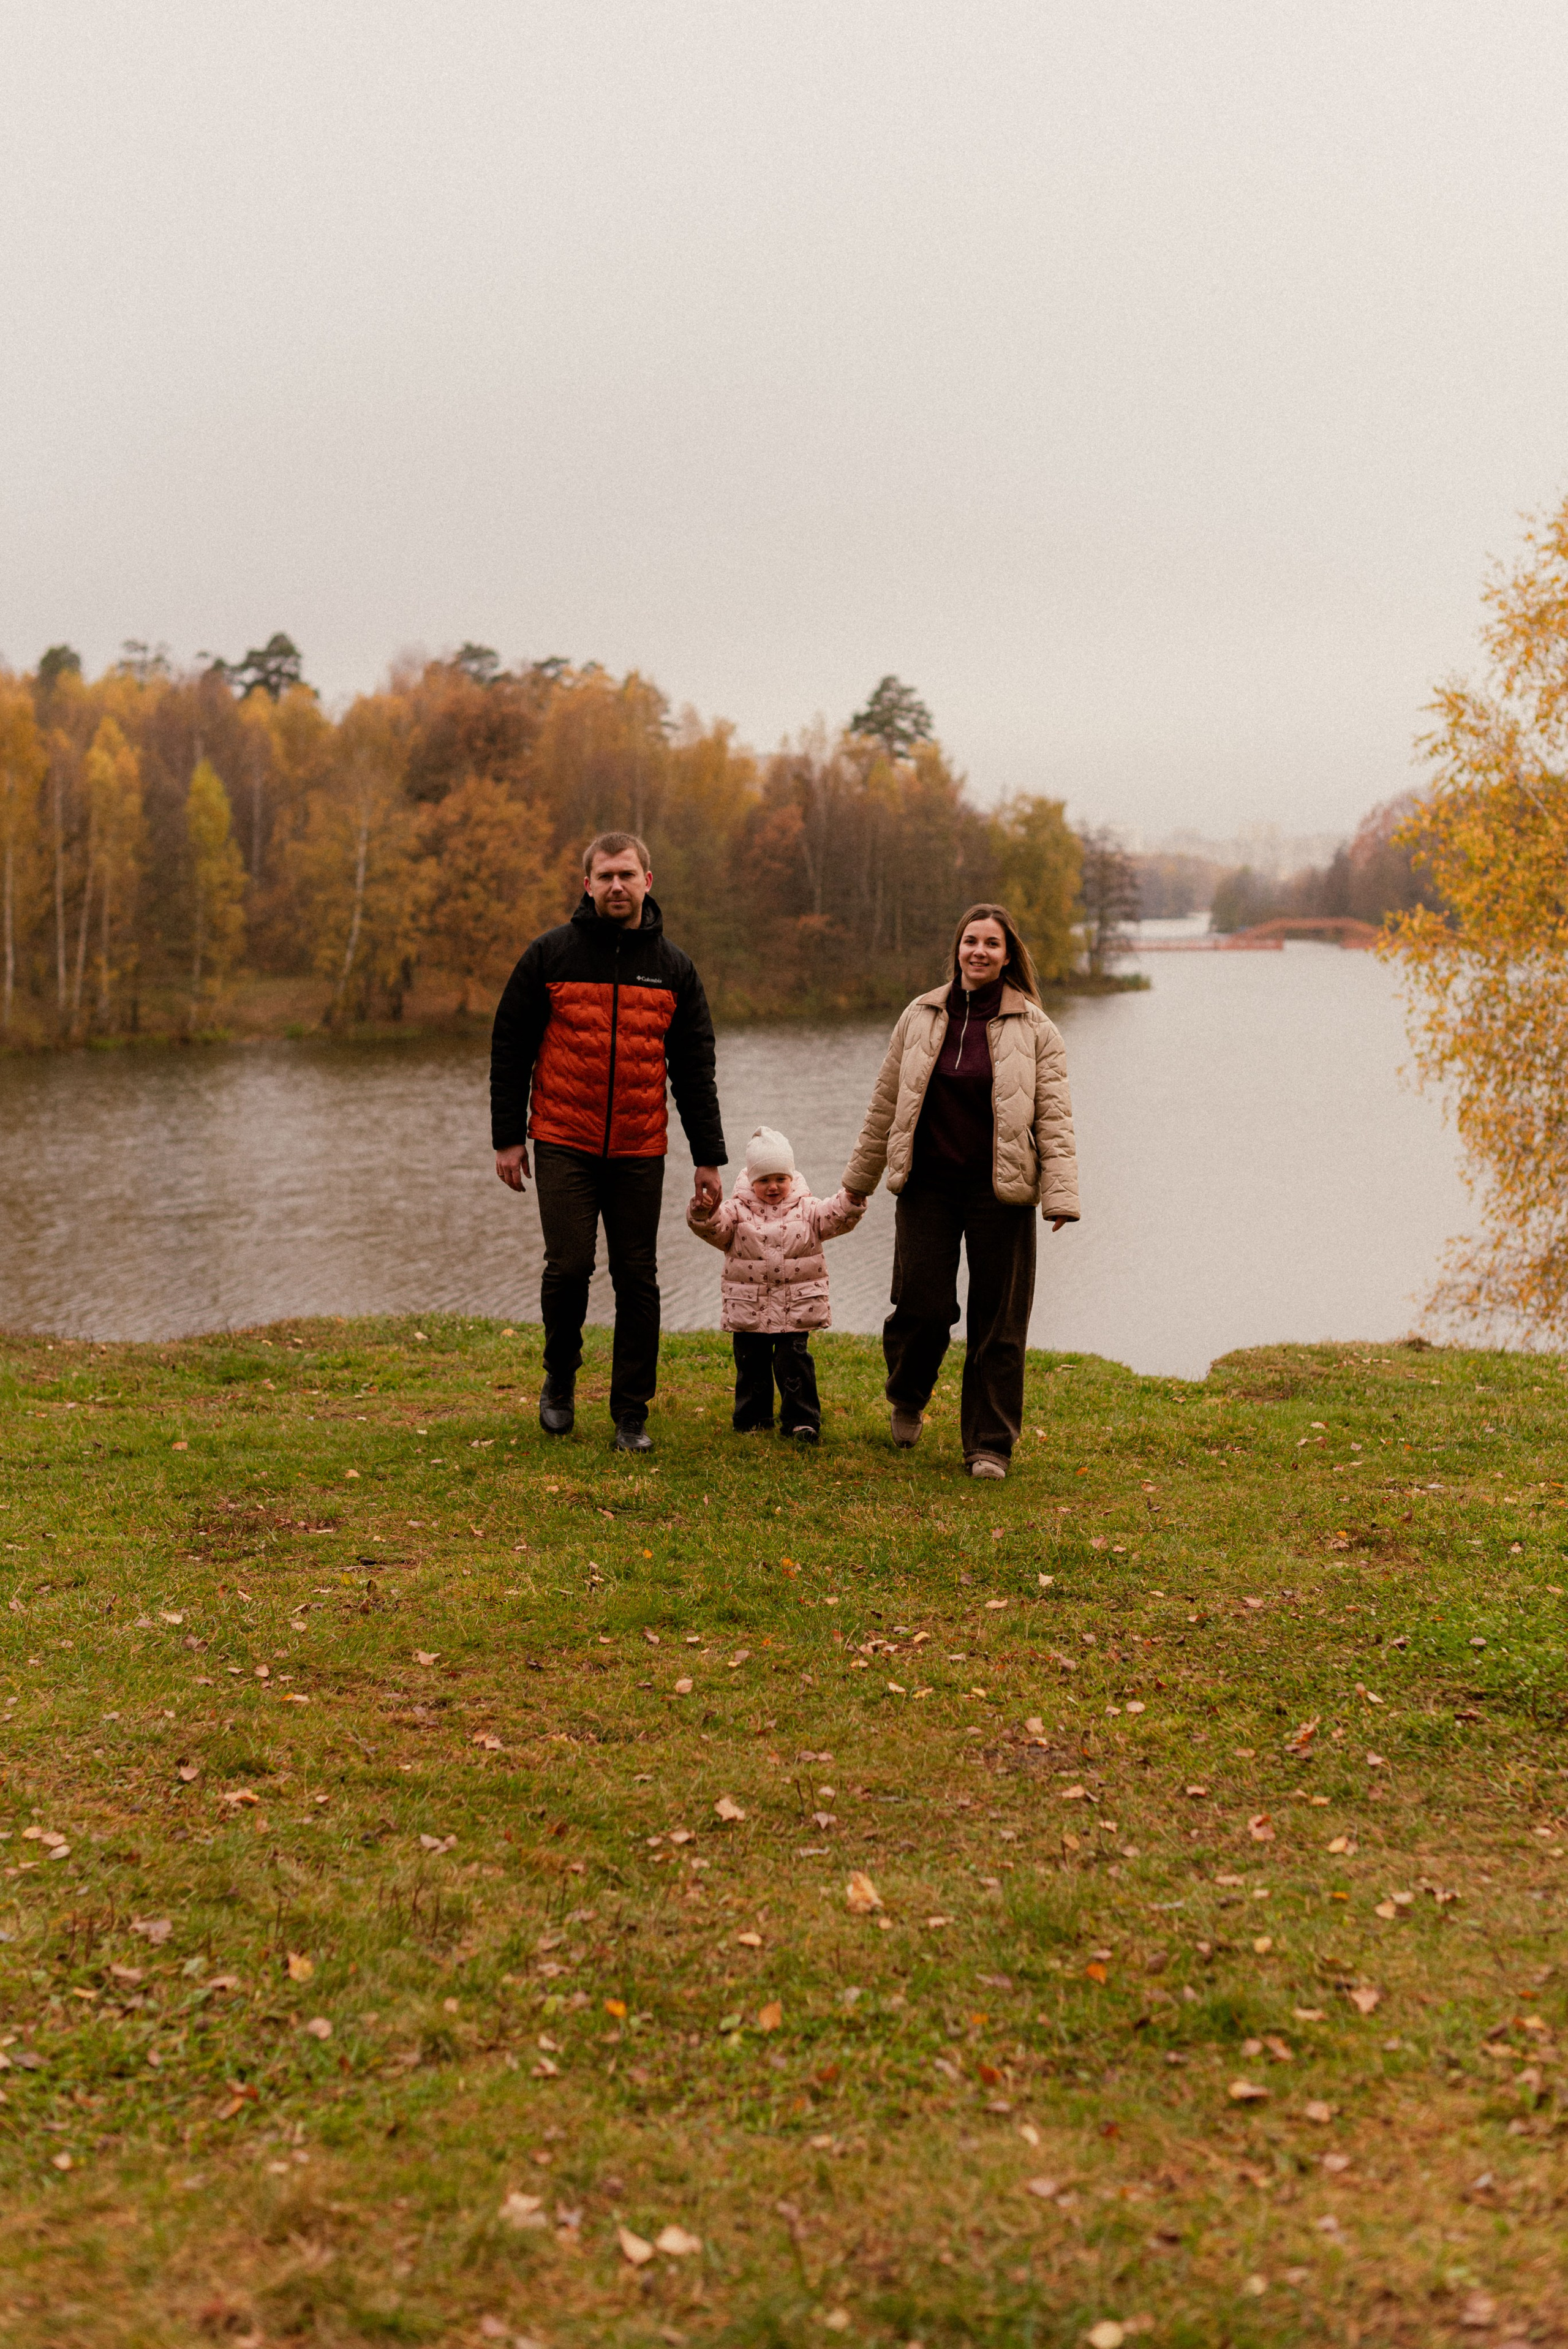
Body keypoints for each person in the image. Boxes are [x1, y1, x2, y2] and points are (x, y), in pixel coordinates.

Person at [490, 831, 726, 1452]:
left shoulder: (674, 969)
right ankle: (560, 1381)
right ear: (586, 884)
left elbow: (695, 1069)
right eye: (604, 876)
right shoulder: (550, 957)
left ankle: (631, 1414)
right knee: (568, 1268)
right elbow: (509, 1049)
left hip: (639, 1147)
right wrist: (507, 1138)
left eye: (627, 875)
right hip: (563, 1139)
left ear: (648, 882)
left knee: (637, 1276)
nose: (615, 886)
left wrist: (708, 1157)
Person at [841, 903, 1079, 1479]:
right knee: (922, 1306)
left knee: (999, 1322)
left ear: (1007, 954)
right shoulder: (919, 1016)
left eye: (991, 943)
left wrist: (1061, 1195)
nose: (979, 951)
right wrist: (857, 1182)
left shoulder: (1036, 1029)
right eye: (970, 941)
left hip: (1003, 1192)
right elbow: (884, 1104)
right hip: (927, 1187)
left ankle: (989, 1443)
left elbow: (1054, 1116)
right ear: (957, 948)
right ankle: (908, 1393)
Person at [687, 1125, 864, 1441]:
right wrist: (704, 1214)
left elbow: (834, 1216)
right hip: (749, 1306)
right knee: (750, 1364)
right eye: (764, 1180)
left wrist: (850, 1200)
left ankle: (802, 1421)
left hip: (795, 1307)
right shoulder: (735, 1210)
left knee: (794, 1364)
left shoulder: (808, 1208)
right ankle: (753, 1418)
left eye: (780, 1179)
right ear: (751, 1180)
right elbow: (717, 1229)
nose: (773, 1187)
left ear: (791, 1177)